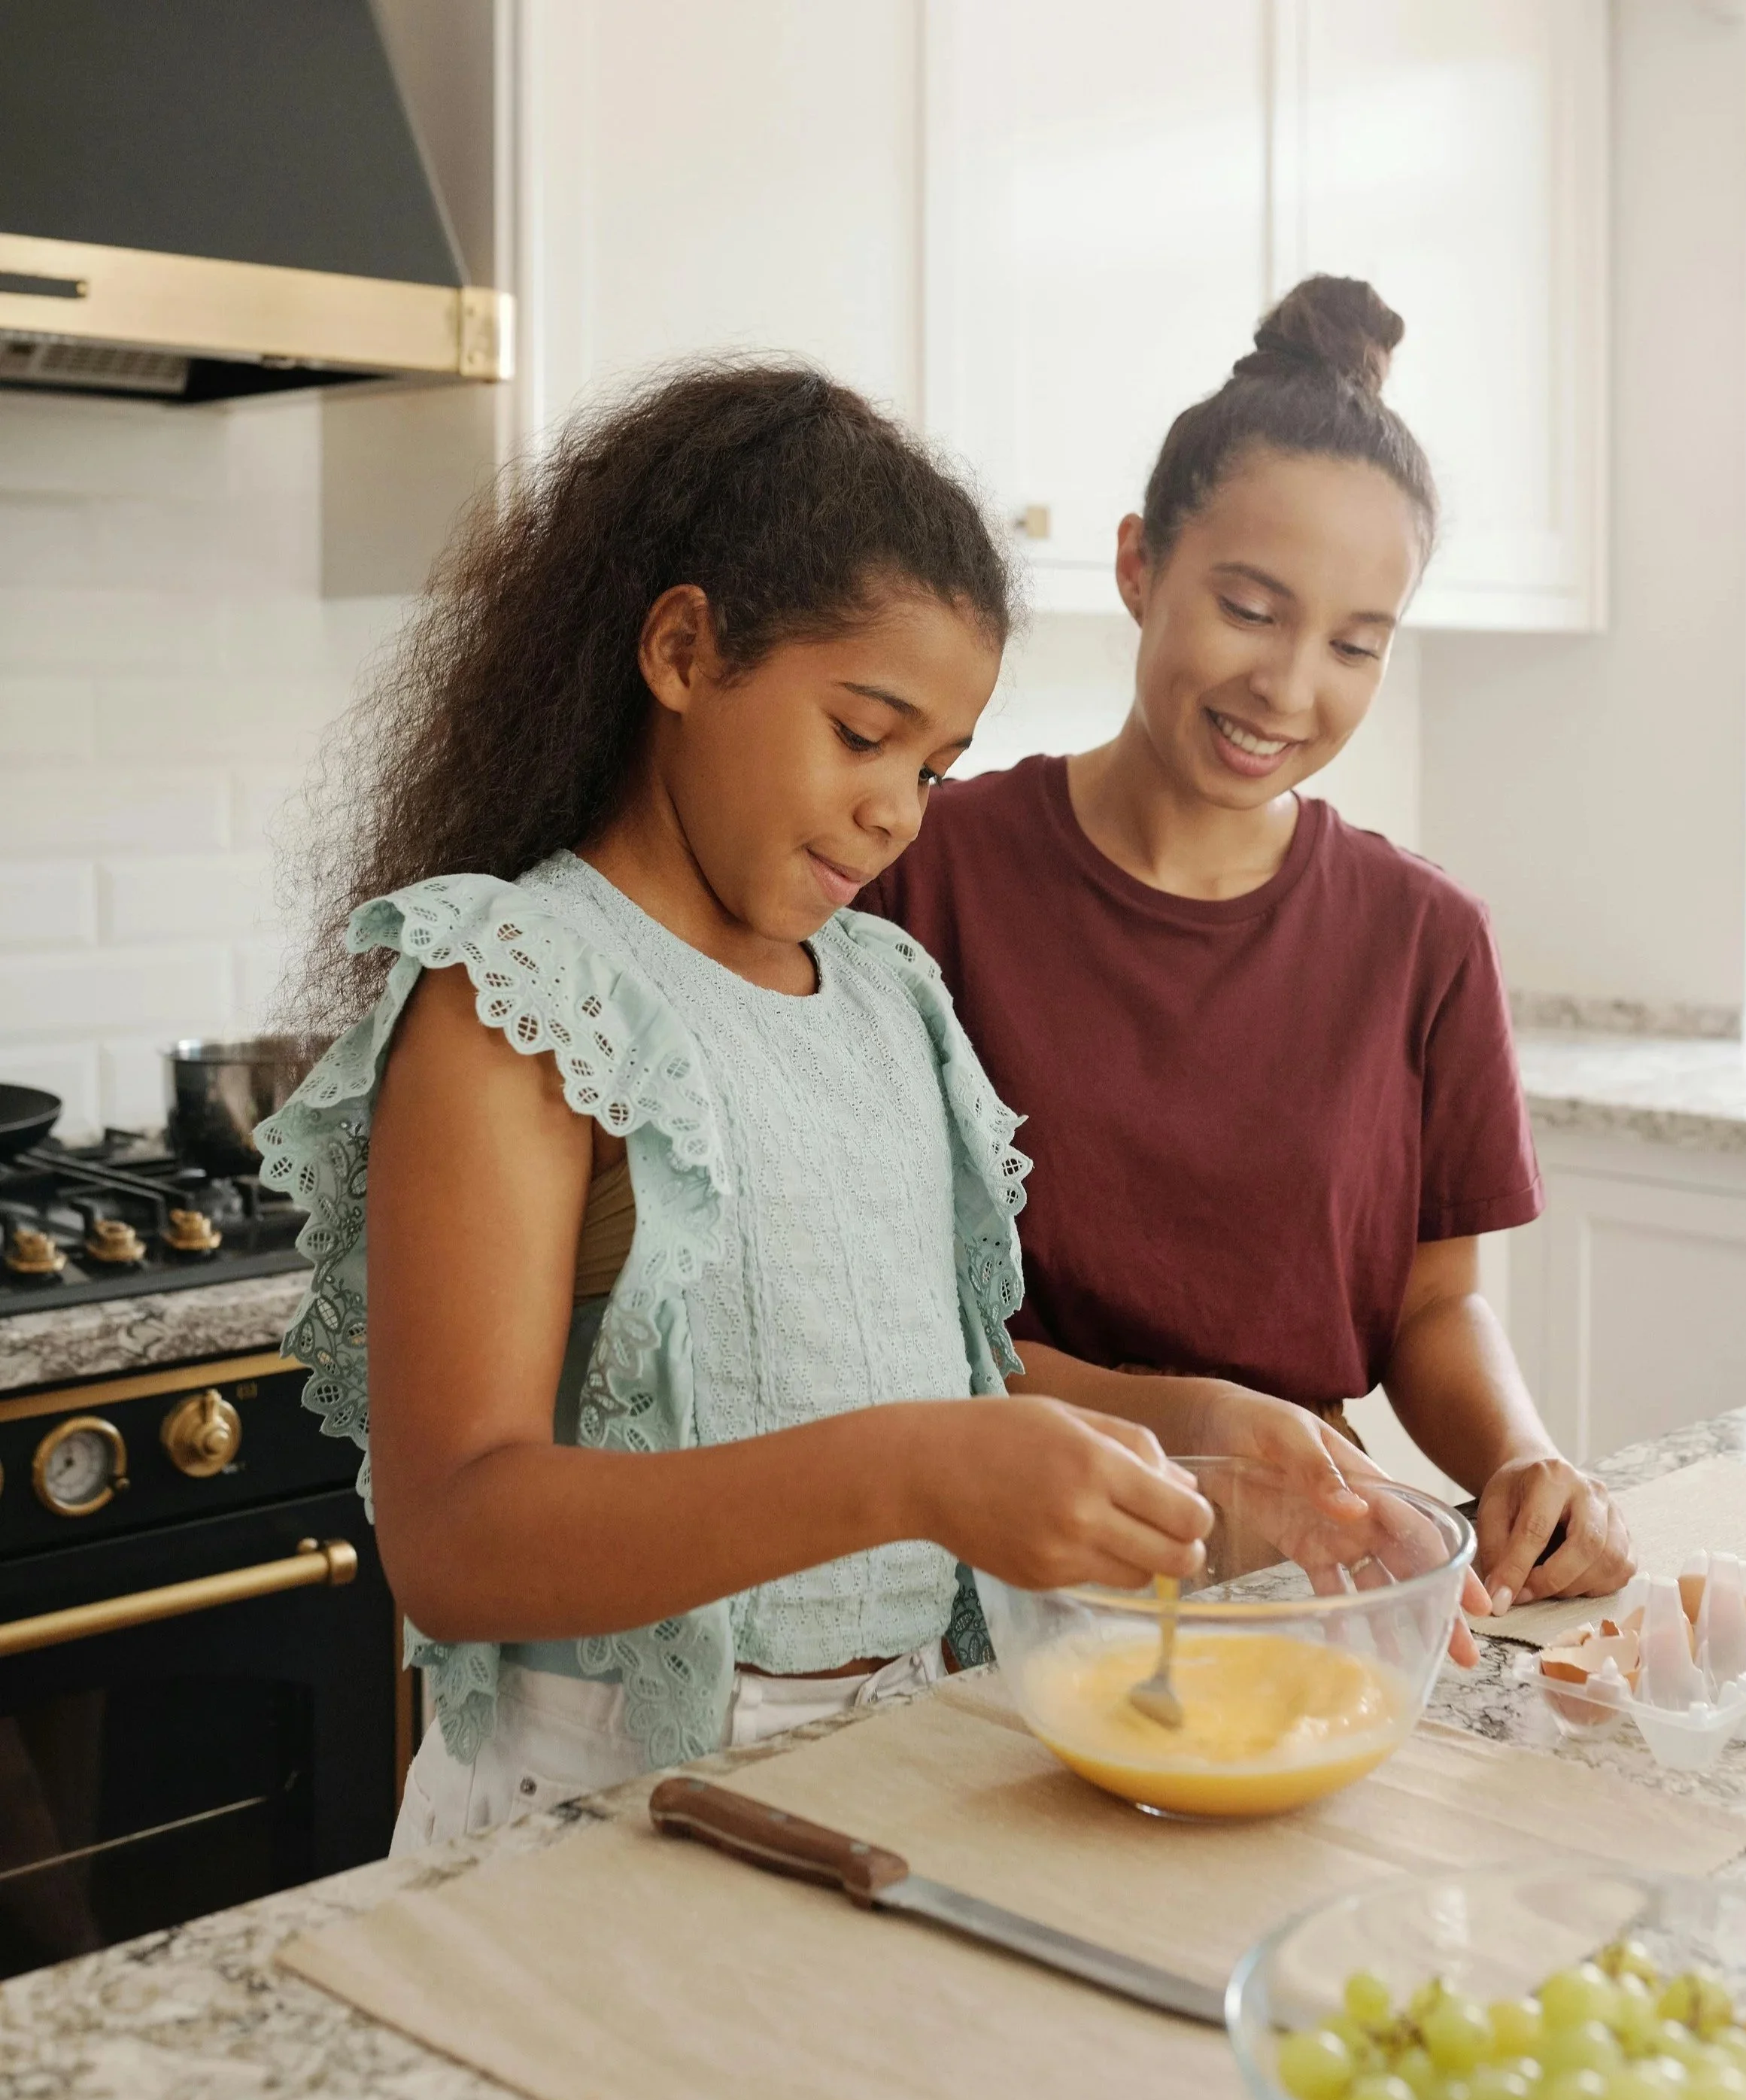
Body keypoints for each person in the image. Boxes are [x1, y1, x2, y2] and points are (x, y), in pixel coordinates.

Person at [260, 361, 1436, 1850]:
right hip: (600, 1812)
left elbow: (900, 1373)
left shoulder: (882, 989)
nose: (897, 808)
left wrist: (1189, 1423)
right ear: (682, 652)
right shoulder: (518, 988)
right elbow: (457, 1539)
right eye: (862, 733)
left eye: (935, 768)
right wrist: (914, 1475)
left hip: (901, 1767)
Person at [858, 278, 1632, 1616]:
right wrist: (1193, 1431)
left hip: (1301, 1592)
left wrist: (1525, 1459)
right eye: (1252, 608)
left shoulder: (1424, 938)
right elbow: (875, 1314)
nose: (1289, 688)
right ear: (1137, 566)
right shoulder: (921, 872)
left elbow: (1431, 1310)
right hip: (969, 1586)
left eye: (1354, 643)